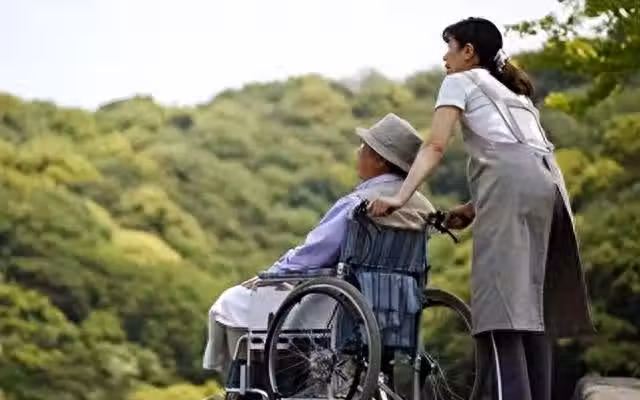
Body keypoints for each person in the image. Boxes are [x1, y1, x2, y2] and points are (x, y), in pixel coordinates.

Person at [368, 17, 594, 400]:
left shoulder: (459, 82)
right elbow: (523, 160)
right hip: (551, 188)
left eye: (449, 47)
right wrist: (474, 208)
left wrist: (398, 197)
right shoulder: (517, 96)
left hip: (513, 189)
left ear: (468, 52)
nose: (445, 58)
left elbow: (435, 146)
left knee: (500, 311)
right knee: (533, 311)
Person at [203, 113, 435, 378]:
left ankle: (241, 386)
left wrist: (270, 274)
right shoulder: (422, 207)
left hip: (337, 307)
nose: (358, 152)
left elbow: (313, 255)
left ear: (380, 160)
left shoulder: (358, 203)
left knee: (231, 301)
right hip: (397, 308)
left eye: (364, 147)